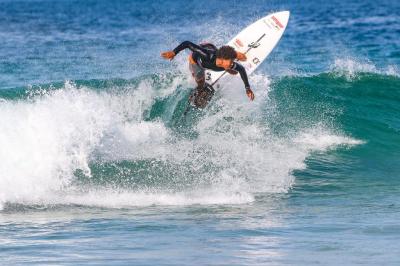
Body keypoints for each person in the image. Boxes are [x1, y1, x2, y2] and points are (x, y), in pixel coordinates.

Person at [161, 41, 255, 108]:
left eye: (232, 61)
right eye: (230, 61)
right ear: (222, 59)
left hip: (212, 48)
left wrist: (247, 88)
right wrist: (174, 52)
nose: (232, 63)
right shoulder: (207, 56)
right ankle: (230, 58)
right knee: (200, 82)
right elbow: (187, 44)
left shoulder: (226, 62)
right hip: (196, 61)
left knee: (235, 65)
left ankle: (234, 54)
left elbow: (241, 69)